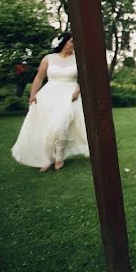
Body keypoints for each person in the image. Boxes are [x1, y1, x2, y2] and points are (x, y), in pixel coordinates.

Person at [11, 32, 89, 172]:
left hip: (69, 95)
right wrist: (33, 95)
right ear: (63, 42)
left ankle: (59, 157)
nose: (74, 44)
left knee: (60, 126)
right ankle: (46, 159)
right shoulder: (49, 58)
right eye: (72, 41)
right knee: (47, 128)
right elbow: (38, 78)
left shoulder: (78, 59)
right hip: (49, 95)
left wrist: (77, 92)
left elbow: (84, 79)